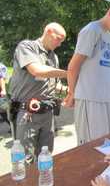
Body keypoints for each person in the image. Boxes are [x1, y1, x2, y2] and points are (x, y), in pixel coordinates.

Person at [64, 1, 110, 145]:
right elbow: (73, 66)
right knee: (92, 146)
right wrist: (71, 93)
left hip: (108, 97)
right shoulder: (91, 30)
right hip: (90, 98)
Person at [9, 22, 68, 162]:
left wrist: (69, 90)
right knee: (24, 159)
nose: (60, 44)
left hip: (47, 113)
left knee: (45, 156)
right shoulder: (27, 47)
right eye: (59, 38)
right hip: (27, 113)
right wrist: (69, 73)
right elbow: (36, 70)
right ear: (48, 31)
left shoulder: (54, 56)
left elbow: (54, 84)